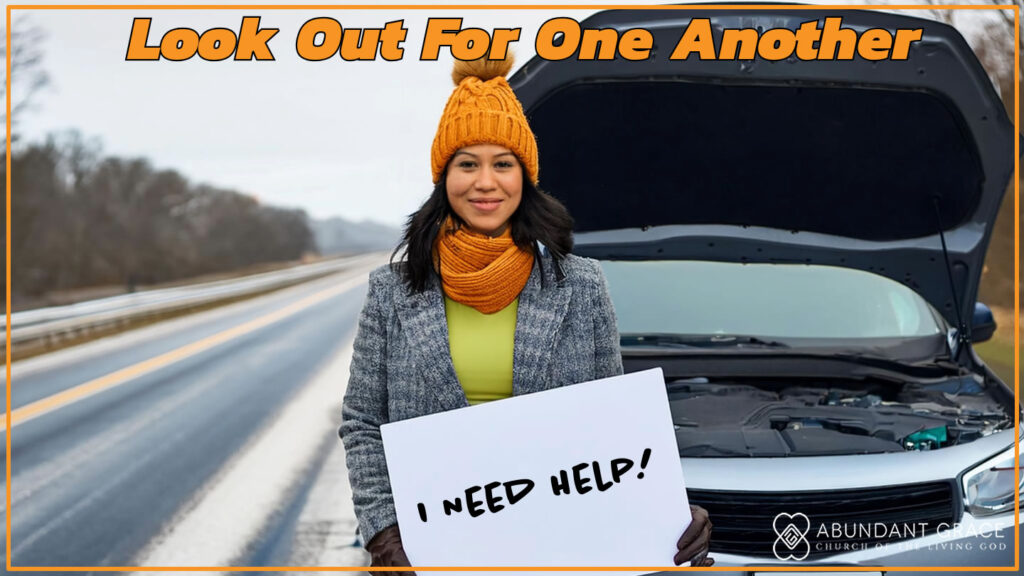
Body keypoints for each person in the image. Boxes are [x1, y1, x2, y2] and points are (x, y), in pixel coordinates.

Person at [339, 55, 714, 571]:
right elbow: (362, 423)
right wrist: (384, 532)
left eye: (503, 163)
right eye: (467, 163)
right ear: (443, 176)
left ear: (525, 176)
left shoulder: (580, 284)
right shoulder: (392, 292)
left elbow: (617, 429)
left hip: (555, 551)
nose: (485, 182)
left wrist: (668, 514)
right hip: (430, 556)